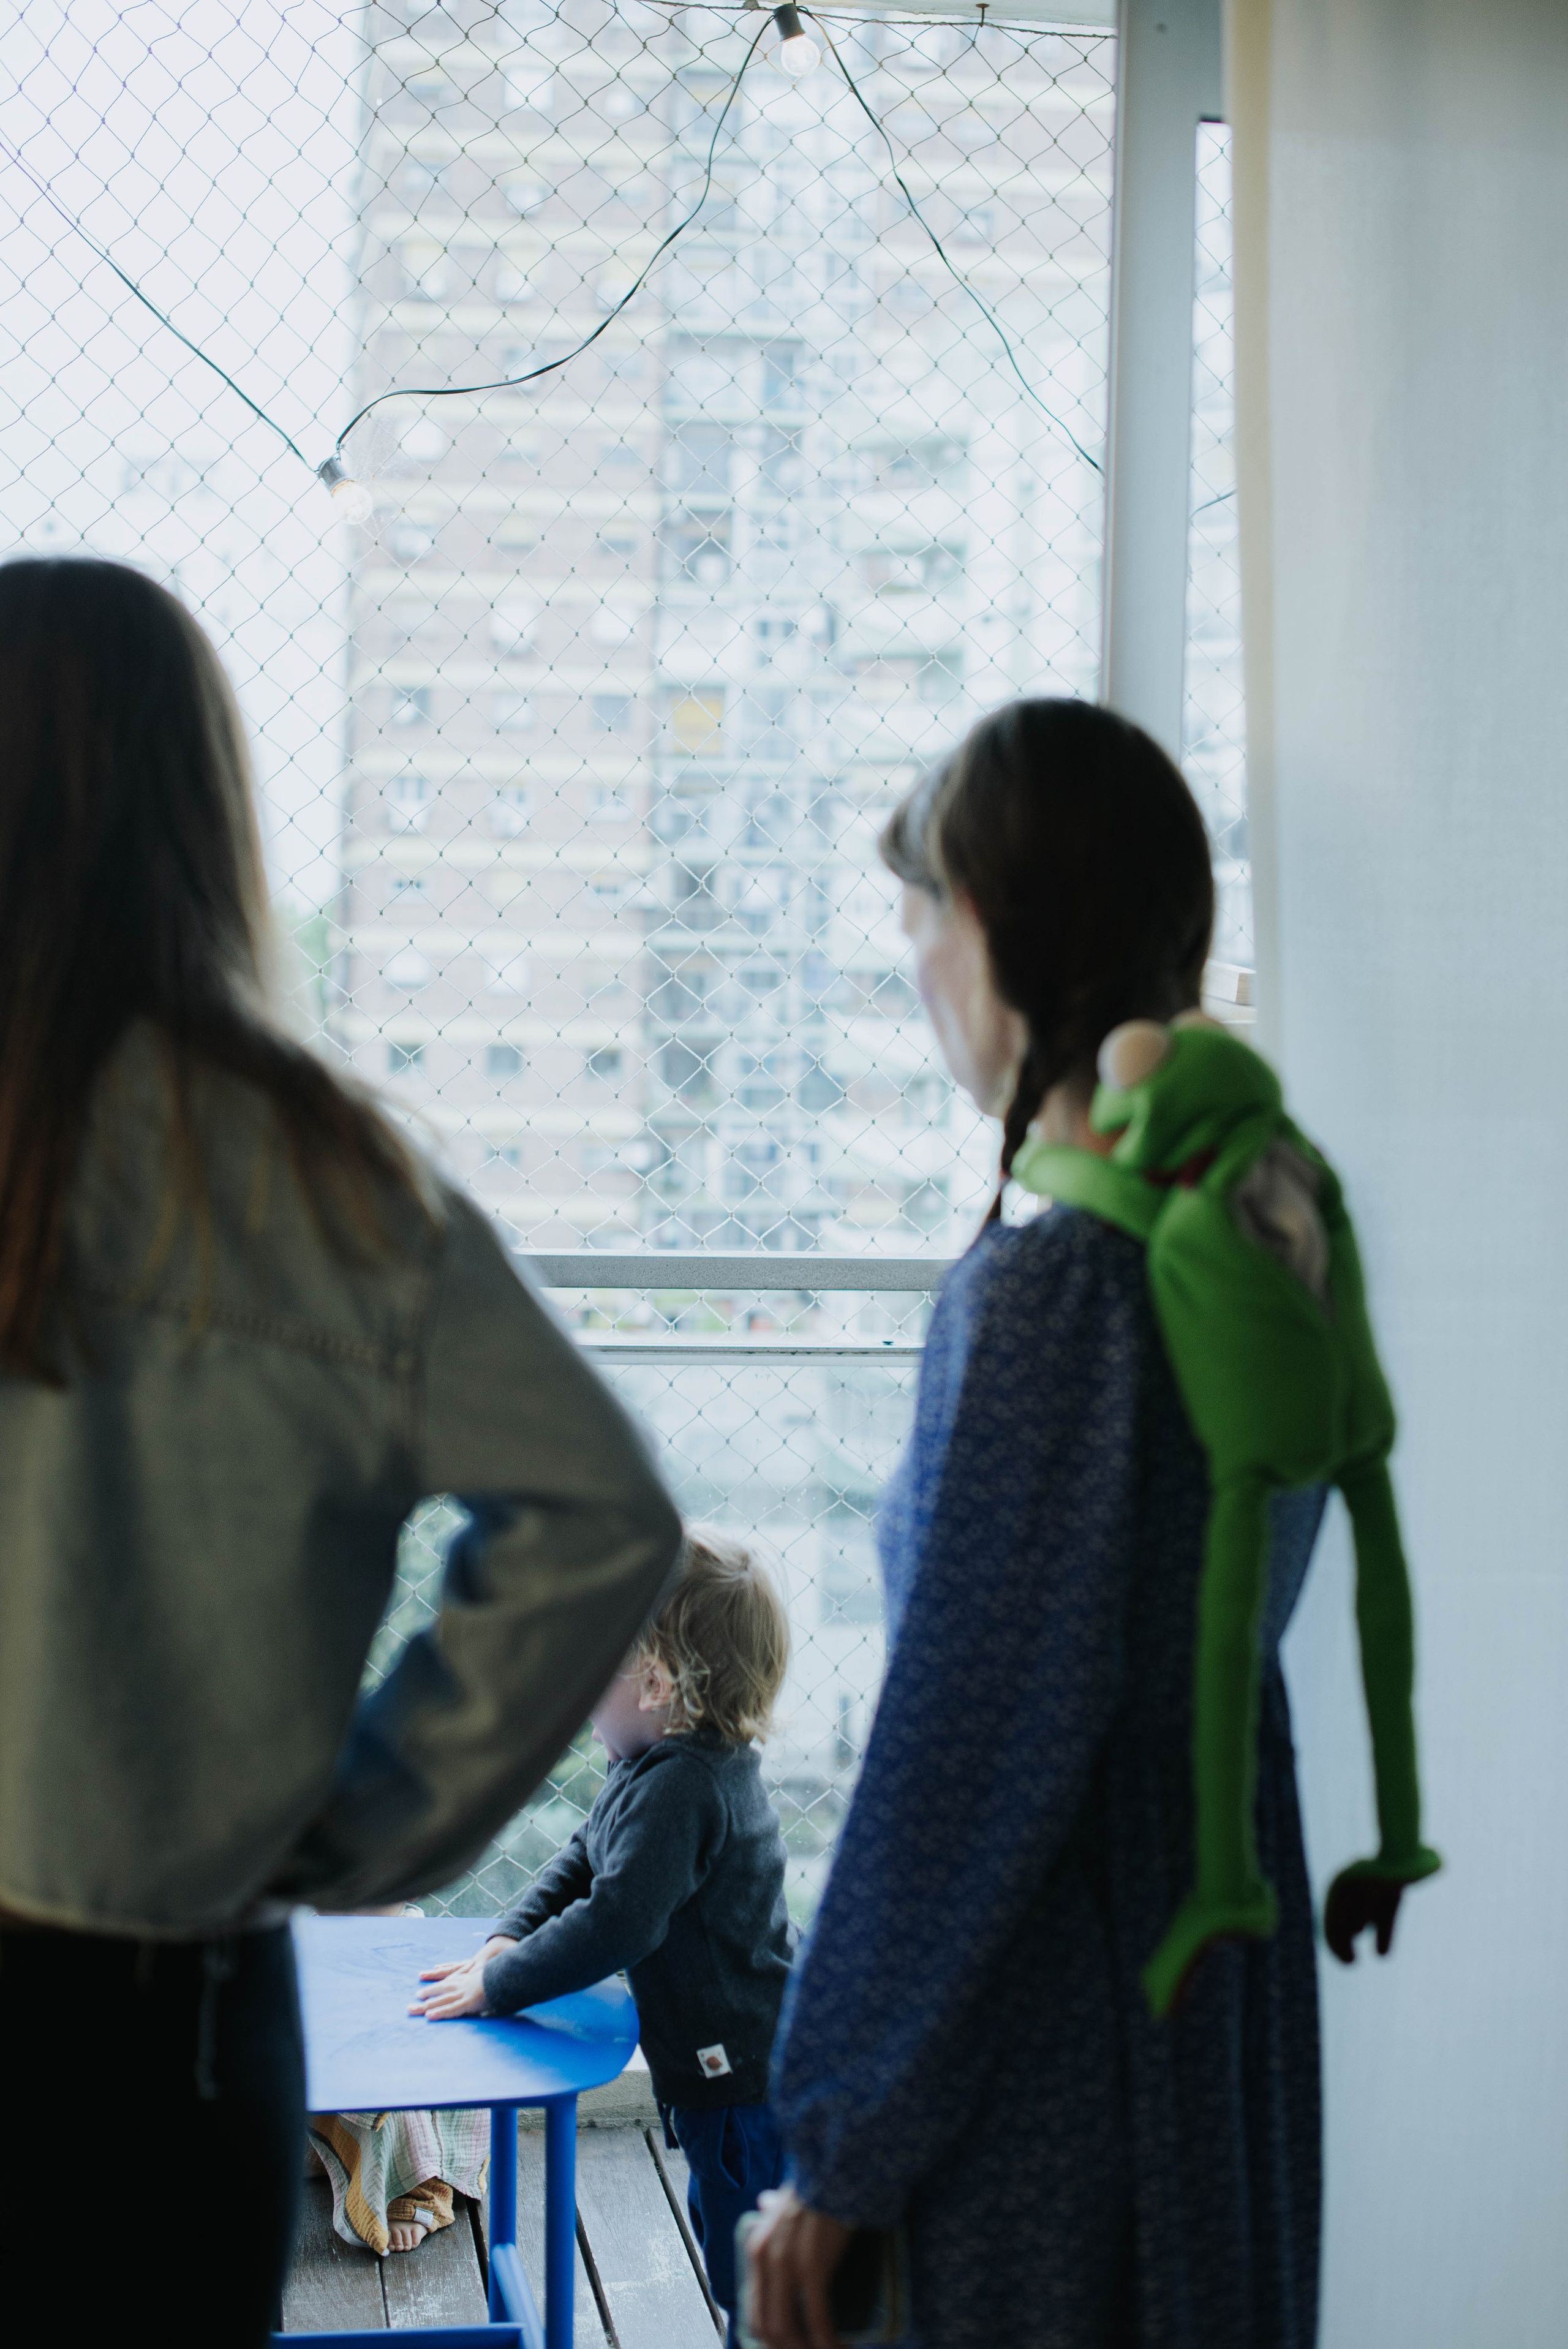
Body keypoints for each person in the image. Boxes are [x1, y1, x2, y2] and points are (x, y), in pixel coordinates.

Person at [0, 557, 682, 2345]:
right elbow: (601, 1512)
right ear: (206, 813)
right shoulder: (331, 1177)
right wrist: (368, 1817)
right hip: (171, 2011)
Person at [746, 698, 1378, 2349]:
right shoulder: (1264, 1234)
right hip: (1216, 2006)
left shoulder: (1058, 1298)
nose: (910, 962)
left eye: (918, 912)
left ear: (995, 932)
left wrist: (840, 2138)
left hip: (1058, 2063)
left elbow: (964, 1757)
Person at [412, 1531, 793, 2343]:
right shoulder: (652, 1762)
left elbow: (620, 1918)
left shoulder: (686, 1787)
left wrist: (503, 1986)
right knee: (727, 2224)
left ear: (657, 1682)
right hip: (715, 2072)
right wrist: (508, 1939)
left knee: (750, 2264)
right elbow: (587, 1856)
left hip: (742, 2077)